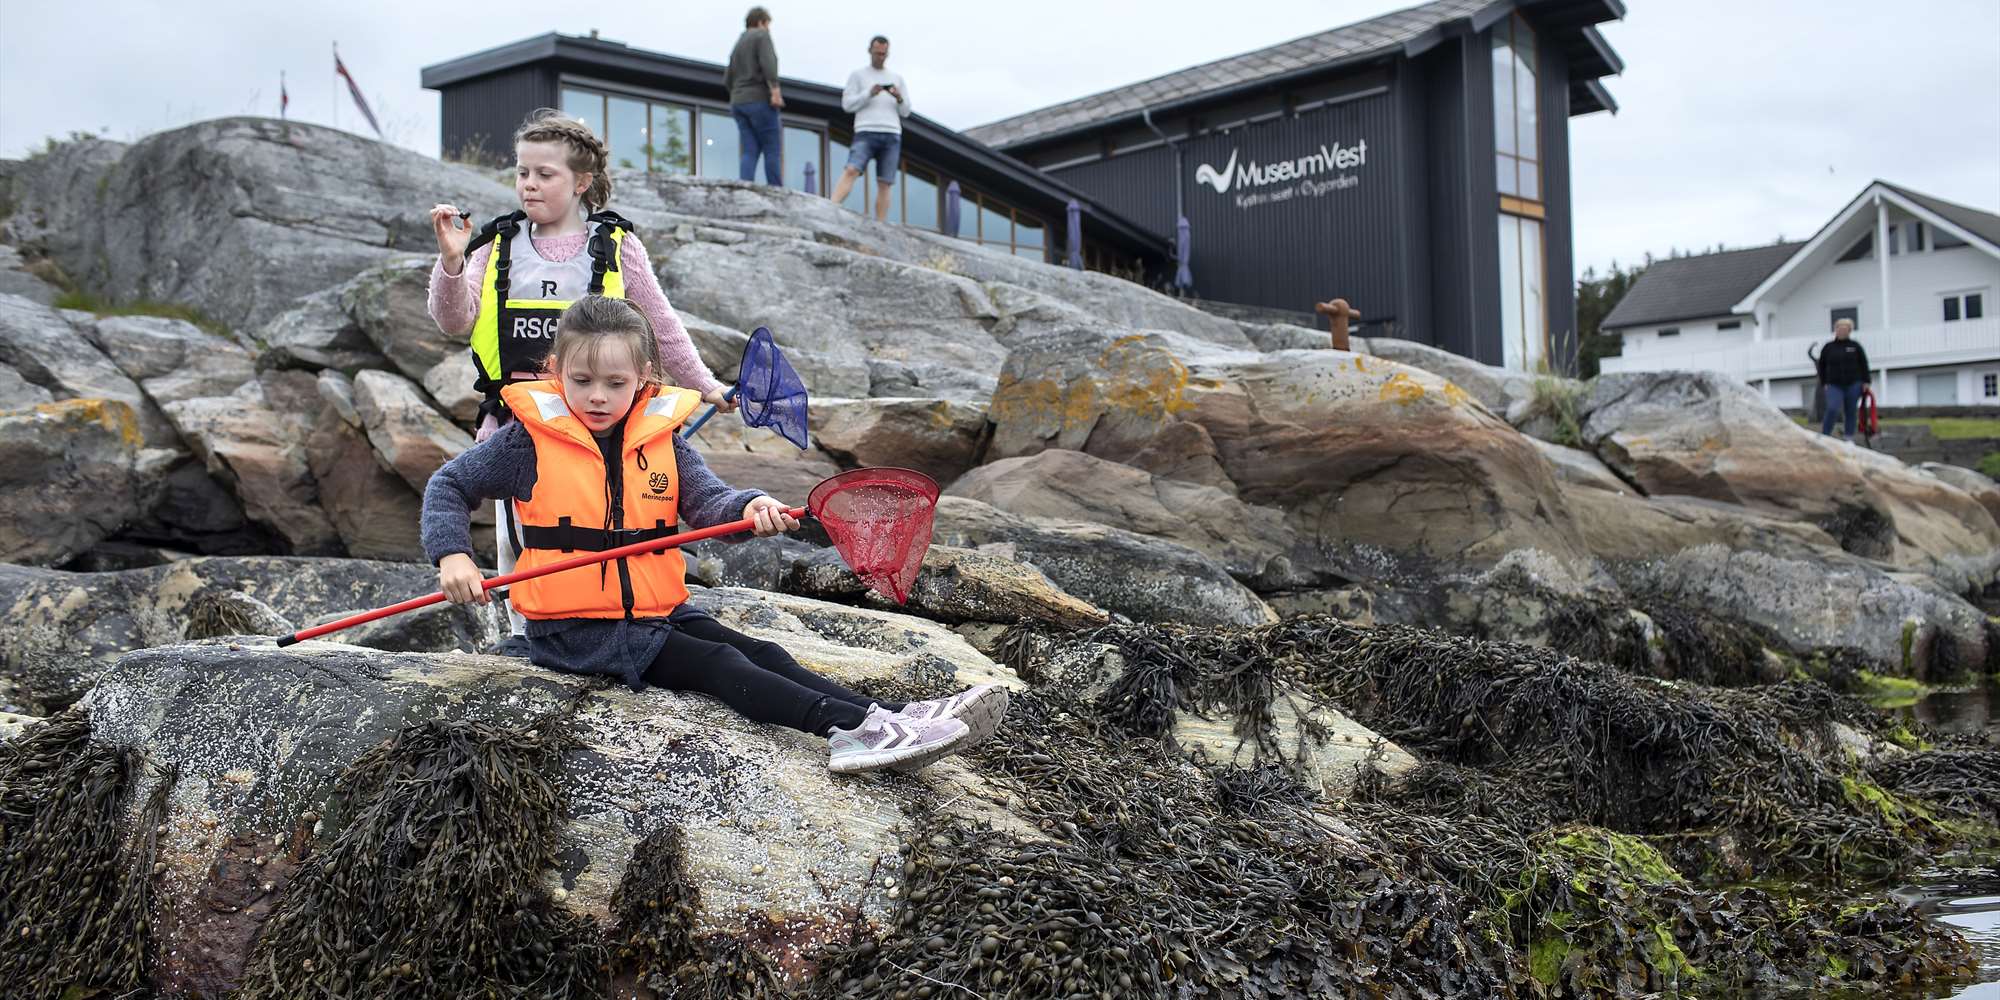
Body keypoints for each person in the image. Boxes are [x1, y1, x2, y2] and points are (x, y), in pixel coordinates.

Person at [422, 296, 1009, 773]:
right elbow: (447, 487)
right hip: (576, 631)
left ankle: (896, 713)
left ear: (644, 380)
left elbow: (708, 501)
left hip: (652, 609)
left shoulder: (662, 439)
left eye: (614, 383)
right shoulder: (526, 442)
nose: (597, 396)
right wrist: (454, 556)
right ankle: (851, 731)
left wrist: (751, 505)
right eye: (581, 381)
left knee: (762, 650)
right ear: (556, 373)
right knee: (721, 665)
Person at [427, 108, 734, 657]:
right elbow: (455, 320)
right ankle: (531, 647)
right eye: (523, 172)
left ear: (581, 182)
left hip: (604, 429)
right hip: (519, 427)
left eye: (545, 174)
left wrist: (706, 385)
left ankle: (614, 629)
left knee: (602, 533)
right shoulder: (495, 246)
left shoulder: (617, 247)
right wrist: (452, 264)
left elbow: (659, 324)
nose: (529, 184)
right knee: (519, 547)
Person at [831, 35, 912, 221]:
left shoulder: (897, 78)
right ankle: (831, 207)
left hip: (891, 132)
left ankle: (880, 224)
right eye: (877, 53)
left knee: (885, 182)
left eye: (884, 54)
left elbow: (906, 111)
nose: (880, 57)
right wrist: (869, 93)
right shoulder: (858, 75)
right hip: (865, 131)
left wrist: (898, 97)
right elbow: (847, 105)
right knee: (852, 169)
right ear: (870, 51)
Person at [723, 6, 785, 184]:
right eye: (768, 24)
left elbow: (727, 78)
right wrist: (775, 91)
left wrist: (738, 93)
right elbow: (769, 64)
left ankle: (745, 185)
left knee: (749, 149)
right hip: (759, 99)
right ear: (761, 22)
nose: (768, 29)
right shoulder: (761, 35)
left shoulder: (738, 43)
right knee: (772, 148)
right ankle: (776, 192)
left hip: (738, 102)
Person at [1816, 318, 1871, 439]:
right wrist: (1824, 382)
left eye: (1845, 329)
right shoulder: (1828, 347)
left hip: (1853, 383)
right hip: (1834, 384)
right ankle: (1825, 435)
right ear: (1835, 330)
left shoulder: (1855, 346)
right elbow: (1822, 366)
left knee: (1850, 411)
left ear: (1849, 331)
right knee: (1832, 408)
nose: (1842, 331)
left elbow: (1864, 364)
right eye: (1839, 328)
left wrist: (1866, 381)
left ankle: (1849, 437)